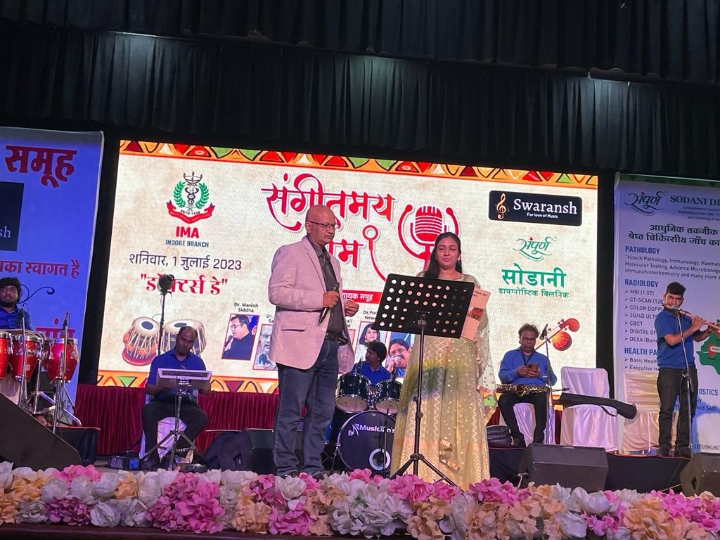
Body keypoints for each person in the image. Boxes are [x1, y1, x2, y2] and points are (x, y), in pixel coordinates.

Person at [390, 232, 496, 488]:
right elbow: (409, 317)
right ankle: (420, 478)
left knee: (458, 408)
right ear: (435, 253)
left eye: (452, 248)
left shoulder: (470, 282)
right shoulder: (422, 280)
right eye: (441, 248)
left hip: (460, 355)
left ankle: (461, 479)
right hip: (429, 352)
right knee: (427, 406)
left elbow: (479, 322)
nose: (447, 253)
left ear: (459, 254)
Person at [268, 204, 359, 479]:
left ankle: (312, 468)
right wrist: (318, 300)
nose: (331, 230)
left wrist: (343, 306)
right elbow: (277, 293)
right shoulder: (290, 252)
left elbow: (328, 300)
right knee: (291, 410)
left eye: (333, 226)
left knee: (322, 412)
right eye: (325, 225)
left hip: (329, 345)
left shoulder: (334, 261)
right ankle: (285, 468)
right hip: (298, 345)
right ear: (309, 226)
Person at [141, 326, 210, 470]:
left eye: (189, 342)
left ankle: (174, 453)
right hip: (164, 400)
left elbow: (206, 391)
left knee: (201, 417)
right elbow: (149, 388)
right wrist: (162, 387)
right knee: (148, 410)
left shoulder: (197, 362)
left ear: (193, 343)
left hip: (186, 403)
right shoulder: (160, 360)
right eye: (183, 339)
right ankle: (152, 456)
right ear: (177, 338)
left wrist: (204, 383)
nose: (185, 344)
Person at [655, 282, 711, 458]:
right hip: (669, 369)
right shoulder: (662, 318)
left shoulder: (684, 317)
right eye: (670, 298)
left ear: (681, 301)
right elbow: (672, 340)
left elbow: (696, 338)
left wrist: (708, 331)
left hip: (688, 368)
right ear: (665, 297)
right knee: (667, 409)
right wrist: (693, 327)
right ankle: (664, 446)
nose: (673, 302)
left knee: (688, 409)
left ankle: (682, 446)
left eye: (677, 299)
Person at [497, 324, 557, 448]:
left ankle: (538, 439)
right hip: (515, 392)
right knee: (503, 399)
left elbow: (553, 380)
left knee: (542, 399)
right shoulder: (509, 355)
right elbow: (502, 376)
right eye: (525, 339)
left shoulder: (543, 358)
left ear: (535, 340)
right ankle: (517, 436)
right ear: (519, 339)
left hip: (536, 392)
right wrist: (516, 372)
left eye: (532, 339)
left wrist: (541, 375)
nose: (528, 342)